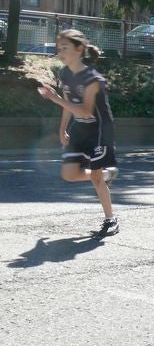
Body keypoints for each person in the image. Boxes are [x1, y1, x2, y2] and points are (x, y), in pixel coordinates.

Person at [37, 29, 120, 237]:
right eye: (58, 48)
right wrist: (62, 129)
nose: (60, 52)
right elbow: (69, 105)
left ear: (79, 49)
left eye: (65, 48)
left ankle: (111, 221)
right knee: (69, 174)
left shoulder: (93, 79)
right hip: (80, 129)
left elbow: (84, 110)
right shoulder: (64, 73)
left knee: (96, 179)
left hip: (100, 131)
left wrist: (54, 98)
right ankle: (108, 173)